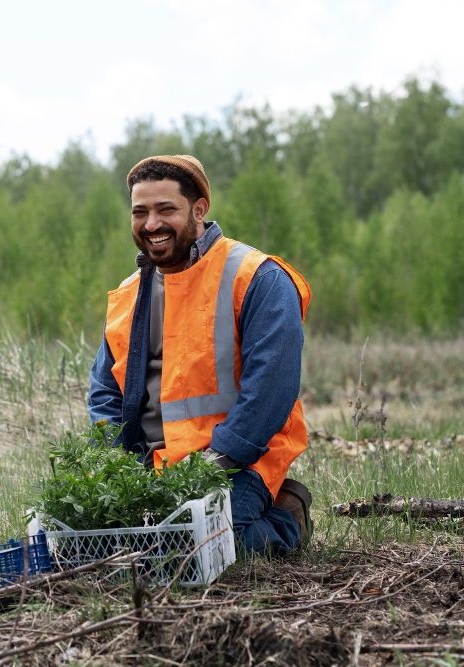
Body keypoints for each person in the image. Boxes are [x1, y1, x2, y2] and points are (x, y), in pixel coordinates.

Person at [87, 155, 314, 558]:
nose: (151, 224)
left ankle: (287, 517)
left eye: (166, 209)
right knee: (96, 546)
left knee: (200, 549)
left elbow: (271, 391)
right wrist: (114, 469)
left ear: (199, 209)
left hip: (239, 459)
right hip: (150, 465)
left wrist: (212, 465)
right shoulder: (128, 295)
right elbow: (105, 391)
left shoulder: (257, 277)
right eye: (140, 212)